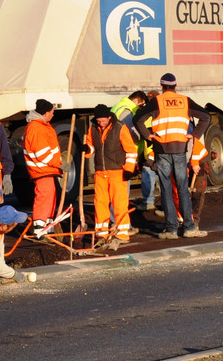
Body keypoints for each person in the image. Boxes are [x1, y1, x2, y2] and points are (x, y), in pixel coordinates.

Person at [136, 73, 211, 239]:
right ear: (175, 86)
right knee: (183, 189)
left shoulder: (156, 101)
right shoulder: (185, 101)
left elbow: (138, 119)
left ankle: (171, 229)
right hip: (180, 150)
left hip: (162, 150)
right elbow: (206, 116)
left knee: (166, 190)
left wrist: (148, 135)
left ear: (162, 86)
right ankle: (189, 227)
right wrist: (195, 135)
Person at [83, 103, 138, 246]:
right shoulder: (92, 128)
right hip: (100, 172)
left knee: (119, 203)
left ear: (109, 118)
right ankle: (102, 233)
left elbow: (131, 150)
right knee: (100, 203)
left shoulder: (120, 128)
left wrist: (128, 170)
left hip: (117, 172)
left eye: (103, 121)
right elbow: (91, 147)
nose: (101, 124)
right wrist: (86, 149)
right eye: (98, 121)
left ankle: (122, 233)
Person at [111, 90, 157, 211]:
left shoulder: (119, 106)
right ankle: (122, 212)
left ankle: (121, 209)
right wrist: (144, 135)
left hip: (118, 149)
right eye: (141, 105)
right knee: (124, 181)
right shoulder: (127, 111)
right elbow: (128, 133)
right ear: (136, 101)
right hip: (124, 150)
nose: (141, 107)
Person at [23, 98, 62, 237]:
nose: (53, 115)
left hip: (46, 170)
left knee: (49, 198)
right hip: (42, 170)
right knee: (44, 198)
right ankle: (40, 228)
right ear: (45, 113)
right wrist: (60, 163)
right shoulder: (37, 127)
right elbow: (42, 154)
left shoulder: (42, 125)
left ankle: (47, 227)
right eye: (52, 112)